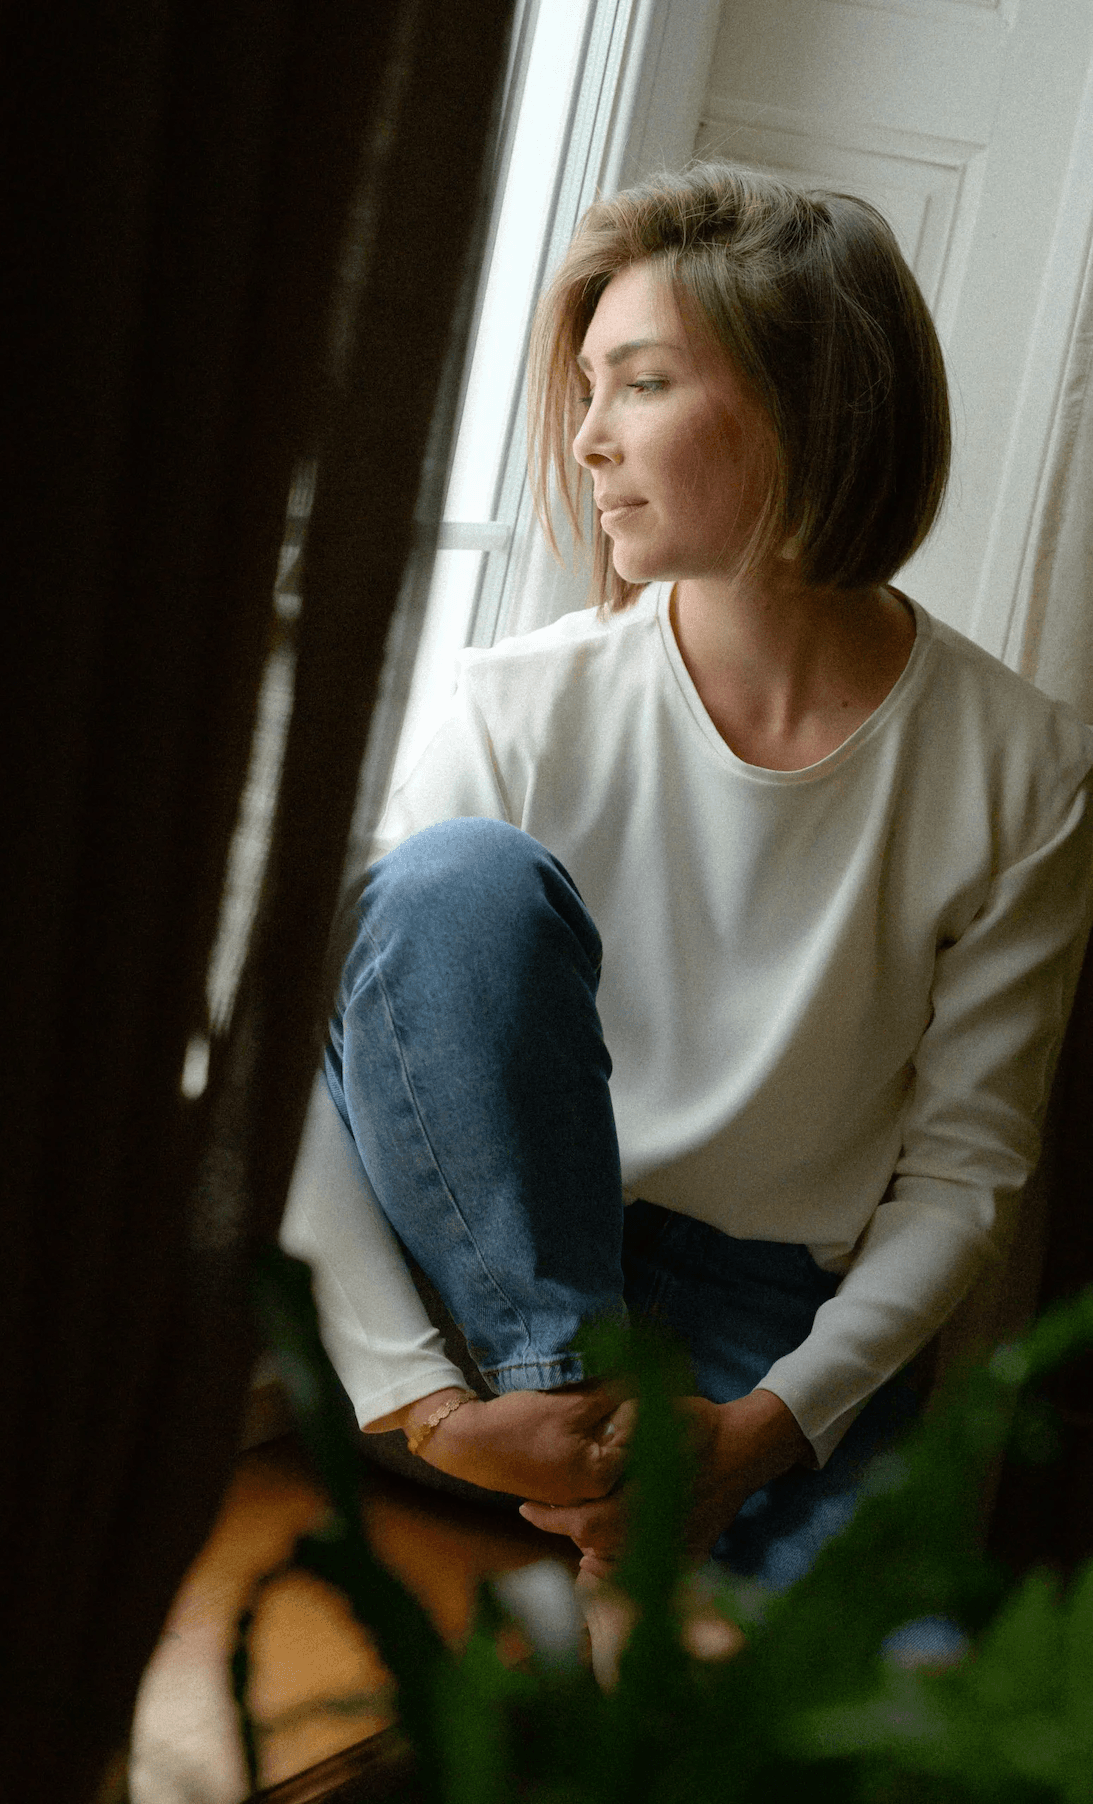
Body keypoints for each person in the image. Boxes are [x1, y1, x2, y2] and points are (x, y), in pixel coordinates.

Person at [280, 166, 1093, 1590]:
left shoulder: (1025, 768)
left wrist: (766, 1432)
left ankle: (631, 1508)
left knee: (902, 1717)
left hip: (755, 1359)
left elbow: (965, 1175)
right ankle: (588, 1448)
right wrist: (438, 1407)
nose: (587, 440)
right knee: (456, 881)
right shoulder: (510, 706)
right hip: (465, 1325)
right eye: (587, 388)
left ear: (811, 406)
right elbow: (317, 1070)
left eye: (640, 383)